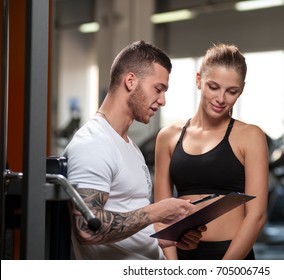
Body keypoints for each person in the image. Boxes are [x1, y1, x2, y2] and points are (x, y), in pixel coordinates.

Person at [64, 40, 206, 260]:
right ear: (130, 81)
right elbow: (87, 229)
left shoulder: (130, 147)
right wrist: (156, 212)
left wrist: (170, 235)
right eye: (158, 89)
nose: (163, 100)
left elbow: (130, 220)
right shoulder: (93, 143)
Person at [153, 43, 269, 260]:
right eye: (213, 87)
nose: (221, 99)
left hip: (232, 257)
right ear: (199, 80)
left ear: (241, 90)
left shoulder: (250, 136)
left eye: (231, 91)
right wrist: (172, 267)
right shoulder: (167, 136)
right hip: (180, 254)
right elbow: (161, 213)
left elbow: (257, 216)